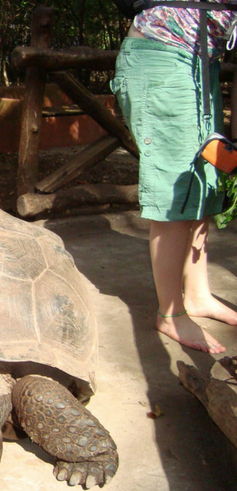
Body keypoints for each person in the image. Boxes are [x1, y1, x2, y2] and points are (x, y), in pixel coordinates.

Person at [111, 1, 237, 354]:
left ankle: (197, 294)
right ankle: (170, 312)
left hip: (200, 61)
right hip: (164, 54)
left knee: (204, 178)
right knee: (178, 185)